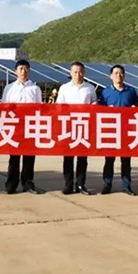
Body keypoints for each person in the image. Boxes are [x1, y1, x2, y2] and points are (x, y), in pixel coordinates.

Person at [1, 59, 45, 194]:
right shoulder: (9, 88)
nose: (23, 71)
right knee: (14, 158)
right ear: (15, 71)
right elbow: (4, 107)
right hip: (14, 127)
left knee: (29, 157)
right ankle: (11, 184)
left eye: (26, 68)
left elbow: (40, 108)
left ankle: (28, 183)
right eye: (20, 68)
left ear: (29, 70)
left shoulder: (35, 89)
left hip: (30, 127)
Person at [56, 62, 98, 195]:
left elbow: (94, 104)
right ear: (70, 73)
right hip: (68, 127)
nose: (78, 74)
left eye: (80, 72)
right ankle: (68, 185)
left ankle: (80, 184)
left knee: (82, 158)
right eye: (75, 72)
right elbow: (59, 106)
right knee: (68, 158)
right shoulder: (64, 88)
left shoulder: (90, 88)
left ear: (84, 73)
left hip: (84, 127)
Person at [99, 64, 138, 195]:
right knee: (109, 159)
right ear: (111, 76)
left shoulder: (131, 91)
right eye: (115, 73)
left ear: (124, 75)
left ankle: (126, 185)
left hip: (126, 131)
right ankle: (107, 184)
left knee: (126, 160)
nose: (118, 75)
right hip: (110, 131)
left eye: (121, 73)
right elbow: (100, 111)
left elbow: (136, 109)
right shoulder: (105, 92)